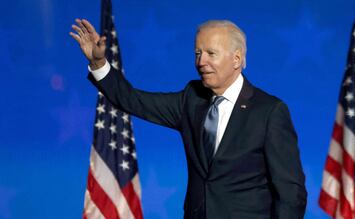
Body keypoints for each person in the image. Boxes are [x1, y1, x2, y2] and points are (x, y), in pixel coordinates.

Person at [70, 18, 307, 219]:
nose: (201, 62)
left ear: (236, 59)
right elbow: (132, 100)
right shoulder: (191, 99)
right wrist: (99, 63)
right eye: (198, 53)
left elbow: (290, 192)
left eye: (211, 53)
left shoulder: (269, 111)